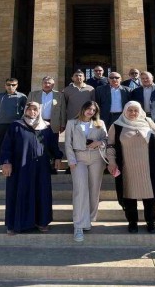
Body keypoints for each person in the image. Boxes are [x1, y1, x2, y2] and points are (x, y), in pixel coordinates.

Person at [106, 101, 155, 234]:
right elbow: (110, 145)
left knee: (149, 197)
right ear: (125, 111)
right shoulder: (117, 125)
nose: (133, 113)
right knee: (129, 196)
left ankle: (151, 222)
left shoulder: (148, 122)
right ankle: (132, 222)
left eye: (135, 110)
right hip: (127, 167)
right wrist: (111, 161)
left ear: (140, 111)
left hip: (147, 167)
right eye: (130, 110)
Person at [0, 102, 62, 235]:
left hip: (41, 168)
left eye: (35, 109)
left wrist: (57, 157)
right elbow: (6, 146)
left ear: (39, 111)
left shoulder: (46, 127)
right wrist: (6, 162)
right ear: (25, 110)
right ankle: (14, 224)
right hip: (19, 168)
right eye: (30, 109)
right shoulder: (16, 125)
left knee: (41, 193)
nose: (32, 112)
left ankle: (41, 222)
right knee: (18, 192)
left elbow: (53, 146)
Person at [64, 101, 108, 242]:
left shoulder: (99, 123)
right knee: (80, 189)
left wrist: (99, 143)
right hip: (79, 157)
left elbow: (107, 140)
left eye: (93, 110)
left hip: (96, 157)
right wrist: (71, 161)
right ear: (83, 109)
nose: (90, 112)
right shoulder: (72, 123)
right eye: (88, 109)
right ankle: (78, 224)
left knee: (94, 188)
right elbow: (68, 143)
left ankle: (88, 218)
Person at [27, 76, 67, 174]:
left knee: (53, 144)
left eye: (49, 83)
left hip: (52, 123)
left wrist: (62, 124)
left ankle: (52, 166)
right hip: (37, 123)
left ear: (53, 85)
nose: (47, 84)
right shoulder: (33, 94)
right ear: (42, 83)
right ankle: (40, 166)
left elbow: (63, 111)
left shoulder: (59, 95)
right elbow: (27, 109)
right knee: (38, 144)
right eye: (45, 82)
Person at [0, 78, 28, 174]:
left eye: (13, 85)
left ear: (17, 85)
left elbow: (26, 110)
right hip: (1, 124)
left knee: (15, 145)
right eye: (8, 84)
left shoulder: (22, 97)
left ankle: (15, 165)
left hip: (15, 125)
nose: (11, 87)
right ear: (5, 85)